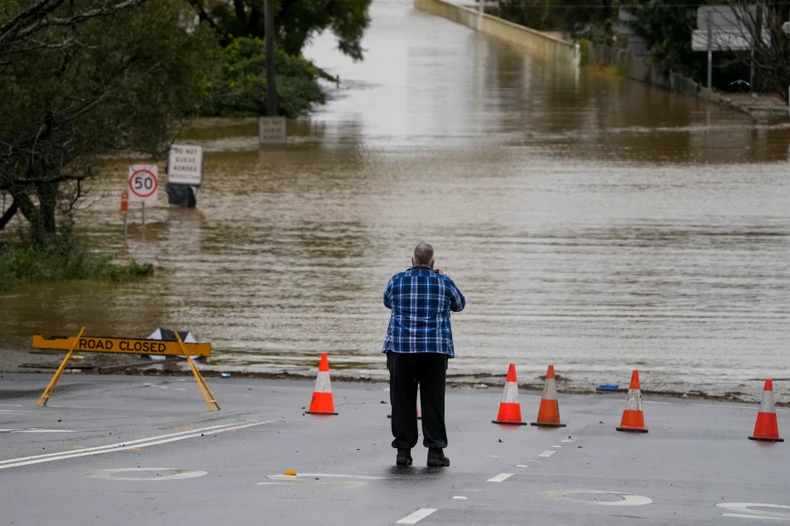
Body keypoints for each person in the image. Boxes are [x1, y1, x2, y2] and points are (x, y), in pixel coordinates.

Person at [382, 242, 466, 467]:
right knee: (433, 401)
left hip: (401, 349)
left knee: (402, 401)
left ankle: (403, 451)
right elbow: (459, 304)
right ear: (433, 262)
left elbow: (388, 302)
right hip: (434, 351)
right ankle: (435, 451)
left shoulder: (397, 280)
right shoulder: (444, 282)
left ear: (412, 260)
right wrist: (442, 277)